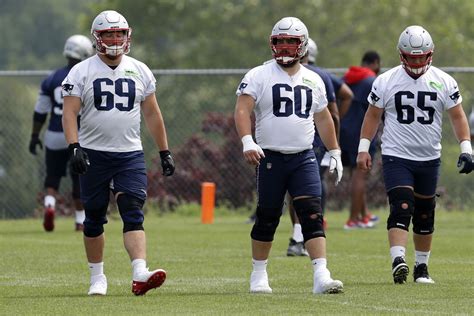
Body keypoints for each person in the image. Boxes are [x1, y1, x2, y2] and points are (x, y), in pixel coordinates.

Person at [62, 10, 175, 296]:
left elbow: (152, 113)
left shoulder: (139, 69)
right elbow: (69, 112)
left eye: (119, 33)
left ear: (127, 36)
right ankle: (97, 277)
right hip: (94, 153)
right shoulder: (81, 71)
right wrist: (74, 146)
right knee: (94, 218)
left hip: (129, 153)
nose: (114, 39)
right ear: (96, 38)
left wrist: (164, 151)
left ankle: (139, 273)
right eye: (108, 34)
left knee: (132, 211)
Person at [234, 16, 343, 294]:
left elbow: (324, 118)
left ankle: (321, 274)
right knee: (268, 215)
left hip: (303, 156)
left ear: (302, 45)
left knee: (312, 213)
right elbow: (242, 110)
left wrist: (335, 151)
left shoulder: (313, 79)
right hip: (269, 156)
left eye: (290, 42)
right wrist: (247, 140)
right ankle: (258, 274)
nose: (284, 47)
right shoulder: (258, 75)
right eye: (279, 41)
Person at [357, 25, 473, 284]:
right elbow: (372, 116)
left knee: (424, 213)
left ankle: (422, 268)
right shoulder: (386, 81)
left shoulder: (444, 81)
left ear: (430, 54)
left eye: (422, 56)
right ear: (401, 55)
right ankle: (399, 260)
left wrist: (466, 147)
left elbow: (457, 116)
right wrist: (363, 148)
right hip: (396, 154)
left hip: (429, 157)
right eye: (412, 57)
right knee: (402, 206)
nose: (417, 61)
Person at [29, 35, 94, 232]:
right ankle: (80, 220)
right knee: (79, 178)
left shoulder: (51, 79)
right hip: (78, 135)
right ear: (84, 52)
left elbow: (40, 112)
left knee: (52, 177)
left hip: (54, 134)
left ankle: (49, 204)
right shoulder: (86, 76)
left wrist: (34, 137)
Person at [285, 37, 339, 257]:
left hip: (290, 141)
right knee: (311, 190)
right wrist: (335, 145)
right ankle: (300, 238)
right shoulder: (320, 75)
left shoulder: (279, 72)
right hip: (312, 141)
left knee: (293, 191)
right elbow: (334, 112)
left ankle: (298, 236)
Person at [340, 50, 381, 229]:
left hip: (343, 131)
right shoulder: (372, 81)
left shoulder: (347, 78)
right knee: (360, 176)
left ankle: (364, 215)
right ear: (375, 63)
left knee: (354, 175)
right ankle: (353, 219)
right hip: (361, 133)